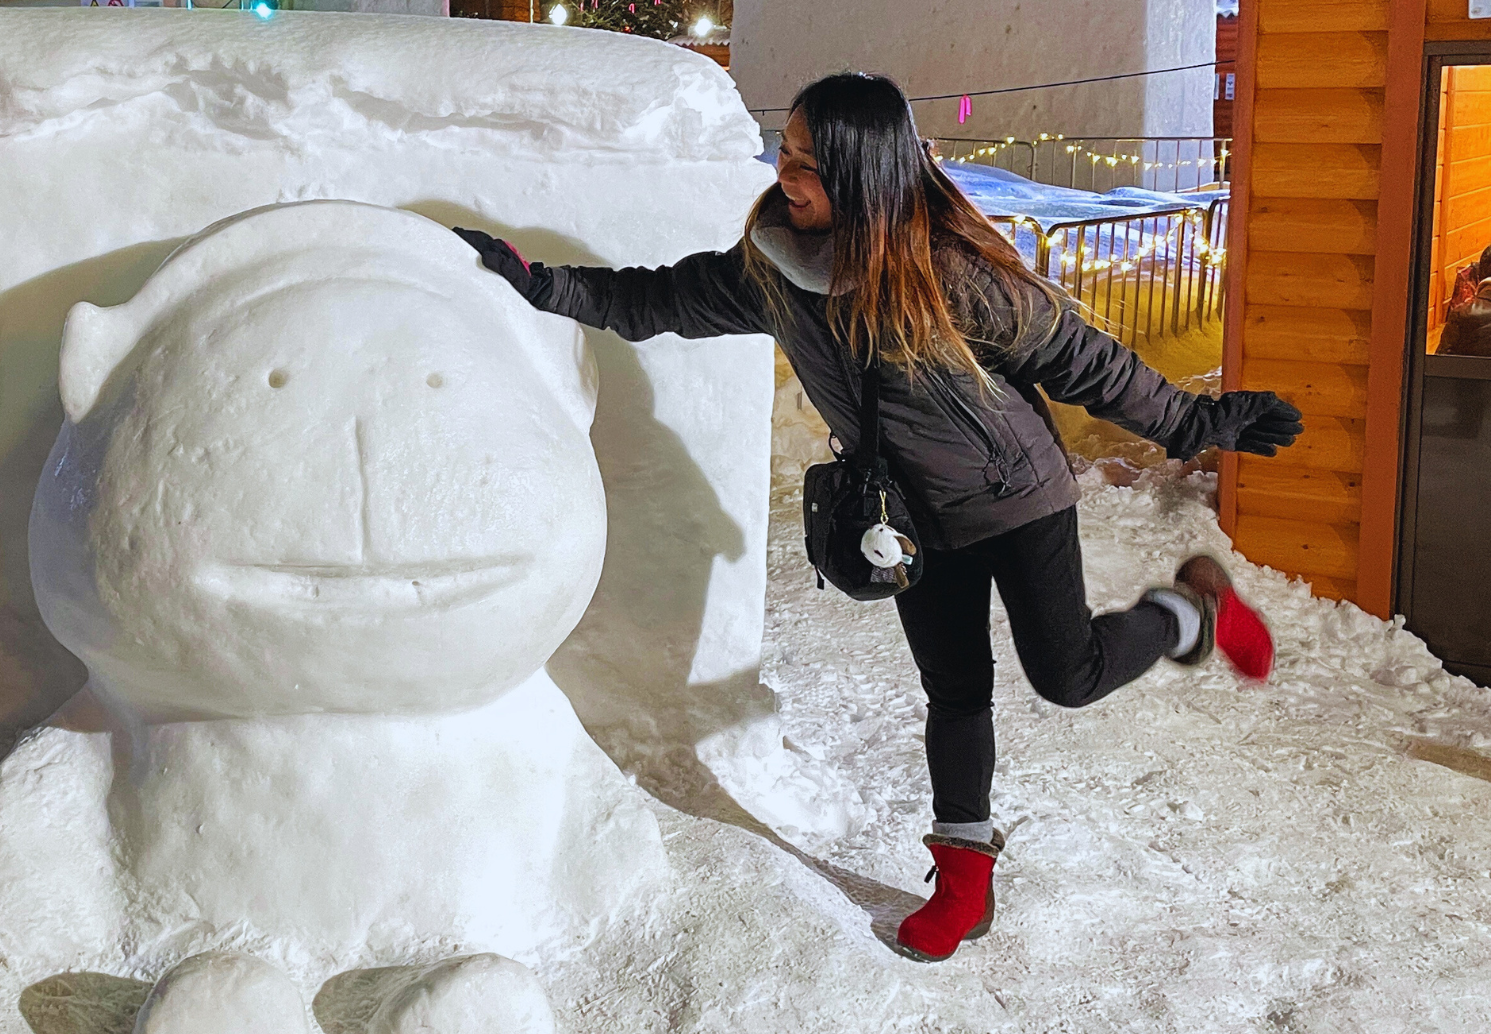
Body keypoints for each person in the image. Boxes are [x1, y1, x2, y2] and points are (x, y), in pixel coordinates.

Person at [455, 72, 1303, 964]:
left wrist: (1197, 423)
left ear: (864, 173)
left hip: (1018, 500)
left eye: (809, 163)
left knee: (1067, 674)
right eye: (783, 151)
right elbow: (650, 301)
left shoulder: (949, 276)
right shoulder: (773, 270)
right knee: (956, 692)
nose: (786, 175)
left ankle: (1187, 613)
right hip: (906, 520)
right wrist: (536, 283)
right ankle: (965, 876)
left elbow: (1082, 360)